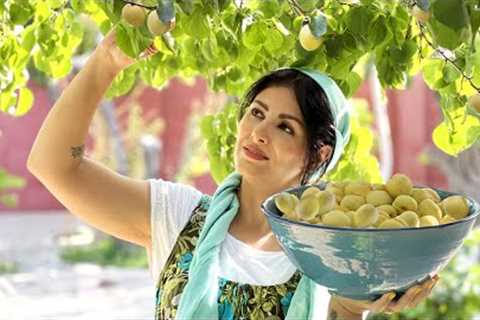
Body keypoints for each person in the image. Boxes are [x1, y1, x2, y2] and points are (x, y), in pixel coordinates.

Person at [27, 30, 438, 320]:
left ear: (319, 154)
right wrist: (105, 64)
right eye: (256, 113)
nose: (258, 132)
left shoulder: (330, 257)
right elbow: (53, 165)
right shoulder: (180, 215)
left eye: (285, 126)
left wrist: (350, 310)